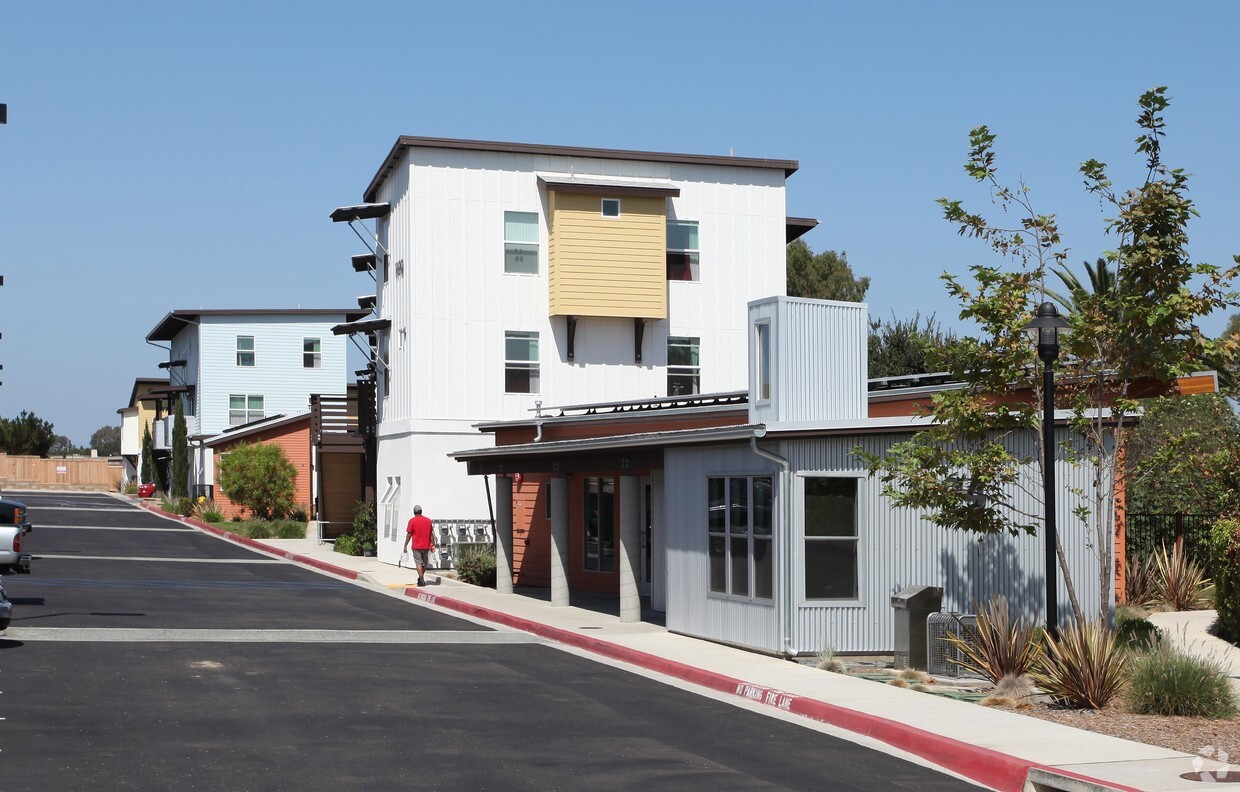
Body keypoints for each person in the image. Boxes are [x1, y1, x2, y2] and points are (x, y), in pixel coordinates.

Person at [402, 504, 435, 586]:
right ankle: (421, 578)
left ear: (414, 512)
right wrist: (433, 544)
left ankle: (421, 578)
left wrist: (405, 545)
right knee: (424, 563)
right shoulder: (428, 521)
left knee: (418, 563)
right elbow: (431, 534)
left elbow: (409, 534)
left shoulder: (412, 521)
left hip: (416, 546)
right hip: (426, 546)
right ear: (421, 511)